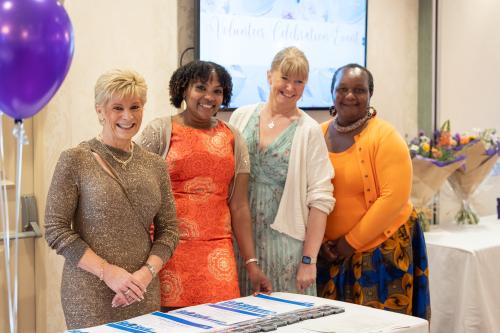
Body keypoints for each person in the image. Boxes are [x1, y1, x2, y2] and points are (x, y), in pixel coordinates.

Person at [44, 69, 179, 329]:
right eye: (117, 107)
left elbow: (170, 230)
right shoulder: (75, 159)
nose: (127, 116)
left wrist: (145, 274)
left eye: (135, 107)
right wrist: (108, 272)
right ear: (100, 110)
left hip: (141, 290)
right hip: (89, 293)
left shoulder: (155, 165)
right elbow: (55, 229)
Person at [139, 60, 271, 310]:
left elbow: (239, 206)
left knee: (223, 323)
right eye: (201, 87)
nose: (209, 97)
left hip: (217, 256)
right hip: (167, 254)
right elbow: (136, 195)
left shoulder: (233, 137)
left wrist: (251, 263)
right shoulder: (160, 131)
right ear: (183, 89)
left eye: (217, 91)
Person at [317, 63, 431, 319]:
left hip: (383, 252)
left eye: (359, 90)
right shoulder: (317, 134)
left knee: (378, 324)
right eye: (343, 89)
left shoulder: (385, 136)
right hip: (329, 253)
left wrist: (350, 242)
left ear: (370, 94)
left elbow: (393, 199)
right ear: (332, 92)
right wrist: (321, 241)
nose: (350, 96)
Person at [229, 46, 335, 296]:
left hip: (286, 246)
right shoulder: (241, 117)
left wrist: (309, 261)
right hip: (242, 243)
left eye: (299, 81)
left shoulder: (309, 131)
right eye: (285, 78)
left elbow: (321, 200)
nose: (290, 87)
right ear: (269, 76)